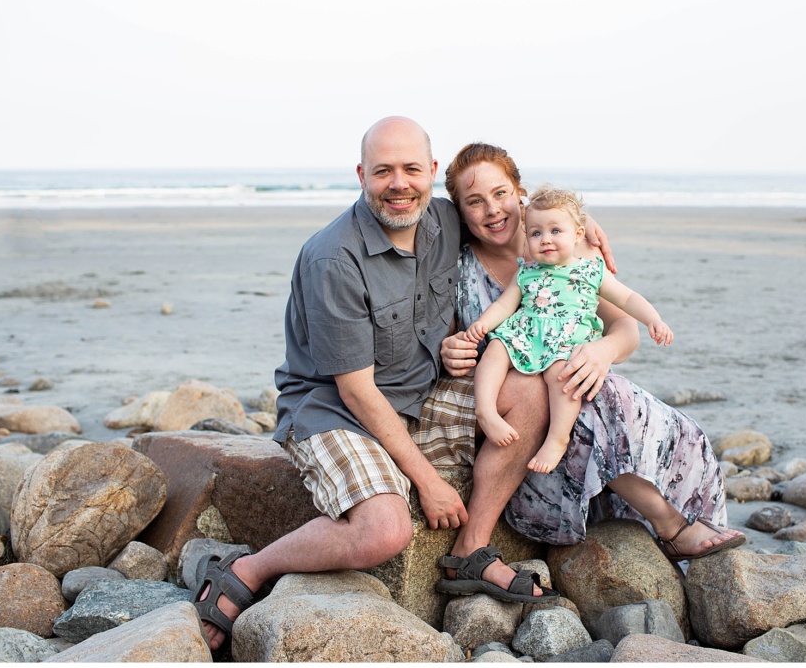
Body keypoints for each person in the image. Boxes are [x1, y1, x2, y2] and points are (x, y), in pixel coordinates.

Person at [191, 118, 556, 653]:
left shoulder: (445, 220)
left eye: (412, 169)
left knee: (528, 389)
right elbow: (358, 392)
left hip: (421, 397)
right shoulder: (333, 258)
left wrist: (588, 233)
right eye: (384, 171)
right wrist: (427, 481)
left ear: (432, 173)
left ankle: (470, 550)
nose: (400, 184)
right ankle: (249, 567)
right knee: (385, 532)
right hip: (336, 410)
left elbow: (519, 220)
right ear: (362, 175)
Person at [440, 142, 746, 561]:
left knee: (591, 389)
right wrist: (453, 349)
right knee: (585, 400)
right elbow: (453, 341)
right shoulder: (456, 268)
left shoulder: (572, 252)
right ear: (459, 211)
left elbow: (626, 327)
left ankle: (673, 520)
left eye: (501, 194)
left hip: (572, 379)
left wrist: (602, 351)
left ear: (520, 193)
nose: (492, 210)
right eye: (474, 202)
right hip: (520, 417)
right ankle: (671, 526)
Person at [466, 183, 673, 475]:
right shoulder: (525, 271)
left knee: (563, 375)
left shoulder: (590, 270)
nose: (545, 239)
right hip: (527, 335)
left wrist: (653, 319)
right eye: (536, 233)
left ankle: (557, 438)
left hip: (567, 341)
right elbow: (503, 306)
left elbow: (627, 297)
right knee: (496, 348)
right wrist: (483, 325)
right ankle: (485, 410)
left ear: (578, 235)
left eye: (555, 231)